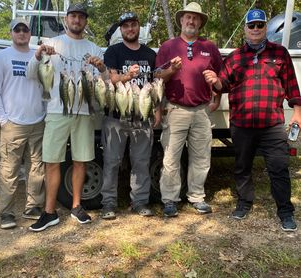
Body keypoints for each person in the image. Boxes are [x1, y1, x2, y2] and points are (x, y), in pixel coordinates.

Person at [203, 9, 301, 232]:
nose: (255, 29)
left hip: (272, 124)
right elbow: (223, 86)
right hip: (242, 124)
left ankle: (285, 211)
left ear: (265, 27)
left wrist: (297, 113)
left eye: (260, 25)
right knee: (242, 167)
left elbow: (292, 87)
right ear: (245, 29)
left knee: (279, 167)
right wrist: (214, 80)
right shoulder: (235, 56)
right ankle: (244, 203)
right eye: (251, 25)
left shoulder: (280, 53)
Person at [26, 3, 107, 231]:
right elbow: (31, 74)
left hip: (84, 112)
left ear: (86, 21)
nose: (77, 20)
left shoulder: (94, 48)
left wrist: (101, 69)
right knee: (52, 161)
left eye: (81, 17)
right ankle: (49, 212)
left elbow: (106, 82)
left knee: (81, 160)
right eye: (73, 16)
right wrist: (39, 54)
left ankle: (76, 206)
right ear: (66, 19)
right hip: (56, 110)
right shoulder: (51, 43)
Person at [155, 2, 222, 217]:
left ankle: (196, 197)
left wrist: (217, 98)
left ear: (200, 22)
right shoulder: (168, 47)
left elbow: (221, 77)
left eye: (195, 18)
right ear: (181, 21)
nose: (191, 21)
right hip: (176, 109)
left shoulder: (210, 47)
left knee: (201, 157)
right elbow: (157, 78)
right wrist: (171, 70)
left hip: (202, 110)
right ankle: (170, 200)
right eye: (188, 18)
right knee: (171, 157)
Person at [0, 18, 46, 229]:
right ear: (11, 33)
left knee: (36, 168)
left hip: (38, 121)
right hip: (12, 123)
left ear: (30, 33)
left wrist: (45, 113)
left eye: (25, 29)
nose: (21, 33)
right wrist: (3, 119)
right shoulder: (0, 57)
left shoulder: (39, 56)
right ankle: (7, 212)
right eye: (17, 29)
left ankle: (33, 206)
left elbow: (45, 87)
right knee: (8, 170)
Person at [100, 12, 159, 219]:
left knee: (141, 161)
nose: (130, 29)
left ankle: (140, 201)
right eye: (125, 26)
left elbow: (156, 85)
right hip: (115, 116)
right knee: (111, 161)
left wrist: (157, 110)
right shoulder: (113, 51)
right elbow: (111, 79)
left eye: (133, 25)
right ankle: (108, 203)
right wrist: (128, 76)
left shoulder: (151, 54)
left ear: (139, 27)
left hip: (142, 116)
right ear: (121, 30)